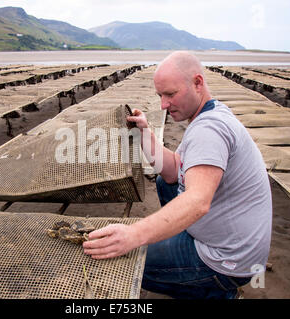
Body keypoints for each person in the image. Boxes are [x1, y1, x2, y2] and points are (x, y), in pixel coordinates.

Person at [83, 51, 272, 299]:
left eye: (170, 94)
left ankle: (216, 291)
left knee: (129, 261)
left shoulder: (209, 130)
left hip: (228, 258)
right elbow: (174, 171)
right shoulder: (210, 113)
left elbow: (198, 201)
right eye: (160, 96)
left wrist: (133, 235)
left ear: (197, 83)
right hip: (237, 240)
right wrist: (145, 135)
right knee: (164, 182)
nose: (163, 104)